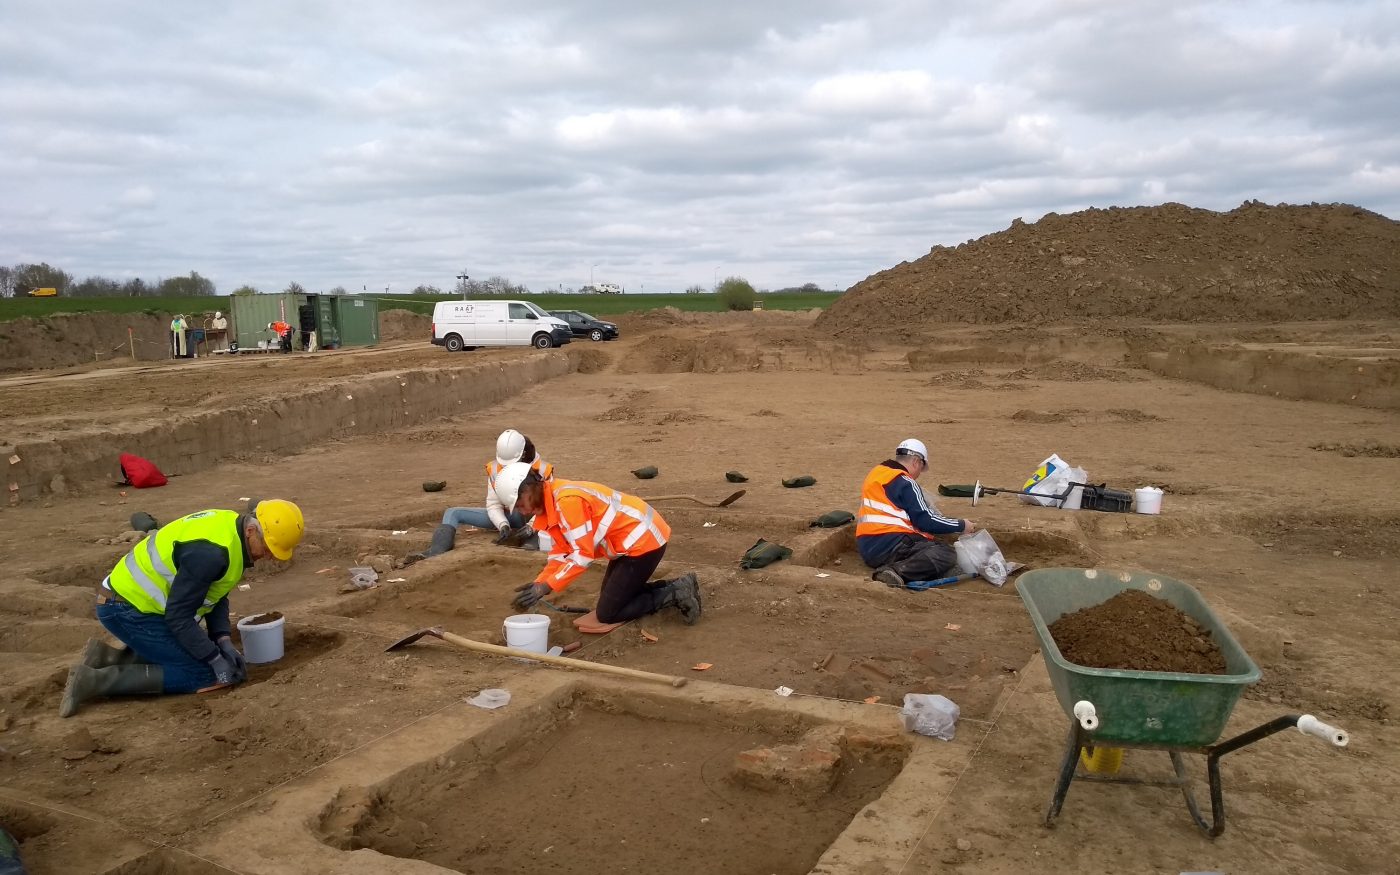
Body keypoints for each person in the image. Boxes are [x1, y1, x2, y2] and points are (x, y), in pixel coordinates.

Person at [59, 499, 306, 717]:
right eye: (268, 549)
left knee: (195, 652)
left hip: (138, 603)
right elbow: (179, 618)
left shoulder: (232, 531)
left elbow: (216, 592)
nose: (270, 557)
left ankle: (107, 658)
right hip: (126, 608)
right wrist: (214, 659)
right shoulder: (211, 553)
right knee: (200, 674)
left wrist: (222, 639)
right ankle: (92, 681)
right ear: (252, 531)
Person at [493, 462, 701, 625]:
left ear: (530, 488)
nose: (522, 511)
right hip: (628, 543)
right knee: (615, 597)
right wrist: (540, 582)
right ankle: (678, 585)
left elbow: (581, 556)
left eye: (520, 504)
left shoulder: (567, 502)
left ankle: (677, 593)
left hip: (643, 541)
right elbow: (561, 553)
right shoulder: (551, 507)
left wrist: (547, 587)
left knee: (608, 613)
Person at [409, 429, 551, 561]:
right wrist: (503, 525)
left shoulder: (541, 470)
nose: (507, 467)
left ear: (523, 455)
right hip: (511, 515)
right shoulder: (496, 468)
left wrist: (532, 527)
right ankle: (436, 550)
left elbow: (548, 506)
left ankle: (532, 540)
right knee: (452, 513)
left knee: (540, 526)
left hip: (534, 518)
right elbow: (494, 504)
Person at [856, 438, 976, 588]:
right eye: (921, 467)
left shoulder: (876, 474)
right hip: (892, 545)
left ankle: (901, 568)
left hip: (868, 550)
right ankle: (896, 572)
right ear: (916, 462)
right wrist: (961, 524)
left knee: (927, 543)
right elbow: (926, 521)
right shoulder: (905, 482)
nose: (919, 473)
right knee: (945, 552)